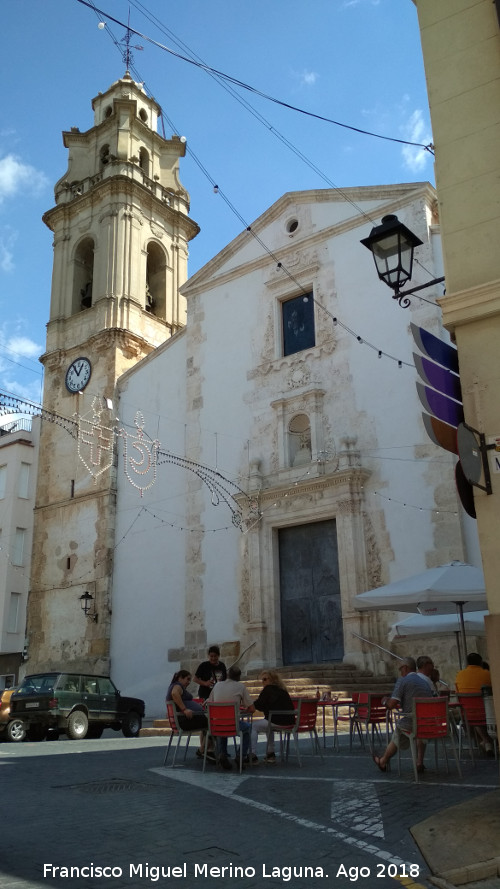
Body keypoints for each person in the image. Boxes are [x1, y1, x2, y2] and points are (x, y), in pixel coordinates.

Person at [373, 656, 433, 774]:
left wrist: (385, 701)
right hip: (427, 723)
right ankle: (419, 762)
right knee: (412, 725)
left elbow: (391, 705)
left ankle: (383, 760)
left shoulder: (403, 681)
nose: (400, 672)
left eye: (400, 669)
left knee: (400, 729)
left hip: (412, 723)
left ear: (405, 668)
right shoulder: (425, 682)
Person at [207, 665, 255, 769]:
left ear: (228, 675)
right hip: (233, 724)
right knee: (248, 728)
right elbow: (252, 709)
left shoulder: (217, 685)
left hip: (217, 725)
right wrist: (242, 711)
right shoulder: (240, 687)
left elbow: (210, 703)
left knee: (222, 725)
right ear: (238, 677)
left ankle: (222, 753)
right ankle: (241, 755)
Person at [166, 669, 214, 762]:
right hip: (184, 721)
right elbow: (174, 693)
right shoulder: (177, 685)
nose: (188, 682)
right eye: (187, 679)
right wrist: (185, 709)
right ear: (180, 678)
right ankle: (207, 751)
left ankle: (204, 750)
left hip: (182, 720)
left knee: (208, 723)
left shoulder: (174, 686)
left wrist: (196, 706)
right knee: (213, 724)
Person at [251, 670, 295, 763]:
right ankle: (270, 753)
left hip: (276, 720)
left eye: (265, 679)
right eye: (262, 680)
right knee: (268, 725)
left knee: (252, 726)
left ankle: (252, 754)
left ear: (272, 680)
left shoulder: (268, 689)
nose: (263, 682)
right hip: (289, 721)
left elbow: (259, 705)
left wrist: (250, 704)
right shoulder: (282, 690)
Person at [455, 652, 493, 755]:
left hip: (467, 715)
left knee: (474, 715)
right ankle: (487, 742)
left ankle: (484, 742)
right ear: (481, 662)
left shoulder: (459, 675)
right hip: (487, 714)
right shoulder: (487, 674)